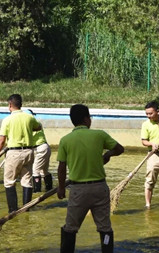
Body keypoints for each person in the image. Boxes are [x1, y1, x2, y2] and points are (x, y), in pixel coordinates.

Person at [57, 104, 125, 253]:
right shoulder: (99, 135)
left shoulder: (65, 140)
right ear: (87, 119)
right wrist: (107, 155)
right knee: (105, 228)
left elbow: (61, 168)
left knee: (70, 228)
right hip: (99, 188)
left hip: (78, 190)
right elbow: (120, 149)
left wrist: (61, 187)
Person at [0, 94, 41, 213]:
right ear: (21, 104)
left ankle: (12, 211)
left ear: (9, 105)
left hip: (14, 153)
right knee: (27, 181)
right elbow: (38, 127)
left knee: (9, 182)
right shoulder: (29, 118)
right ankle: (26, 209)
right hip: (29, 152)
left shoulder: (7, 120)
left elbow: (2, 141)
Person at [26, 109, 53, 193]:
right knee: (44, 171)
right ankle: (49, 189)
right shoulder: (36, 123)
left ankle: (37, 192)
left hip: (40, 149)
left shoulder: (30, 125)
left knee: (35, 171)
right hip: (45, 148)